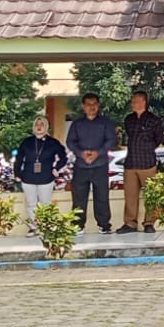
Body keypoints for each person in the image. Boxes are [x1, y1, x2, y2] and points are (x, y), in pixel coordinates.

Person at [65, 93, 117, 234]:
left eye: (94, 104)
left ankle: (104, 225)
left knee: (102, 196)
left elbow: (111, 140)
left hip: (100, 164)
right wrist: (81, 153)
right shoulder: (77, 124)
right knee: (79, 197)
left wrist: (98, 153)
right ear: (83, 106)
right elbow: (70, 141)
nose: (91, 107)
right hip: (81, 165)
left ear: (98, 105)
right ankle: (77, 225)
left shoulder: (105, 122)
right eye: (88, 104)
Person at [119, 91, 164, 234]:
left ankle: (149, 222)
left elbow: (158, 139)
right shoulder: (129, 119)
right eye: (132, 101)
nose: (133, 103)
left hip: (147, 163)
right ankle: (130, 223)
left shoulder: (154, 120)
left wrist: (147, 148)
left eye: (136, 101)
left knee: (151, 195)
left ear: (144, 102)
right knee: (130, 196)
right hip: (131, 163)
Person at [13, 116, 69, 235]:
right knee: (31, 204)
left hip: (46, 177)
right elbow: (19, 159)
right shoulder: (27, 142)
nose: (39, 127)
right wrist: (17, 173)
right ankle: (33, 227)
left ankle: (46, 226)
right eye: (37, 124)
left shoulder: (53, 142)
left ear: (46, 127)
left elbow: (64, 157)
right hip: (28, 177)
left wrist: (56, 168)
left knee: (45, 204)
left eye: (42, 124)